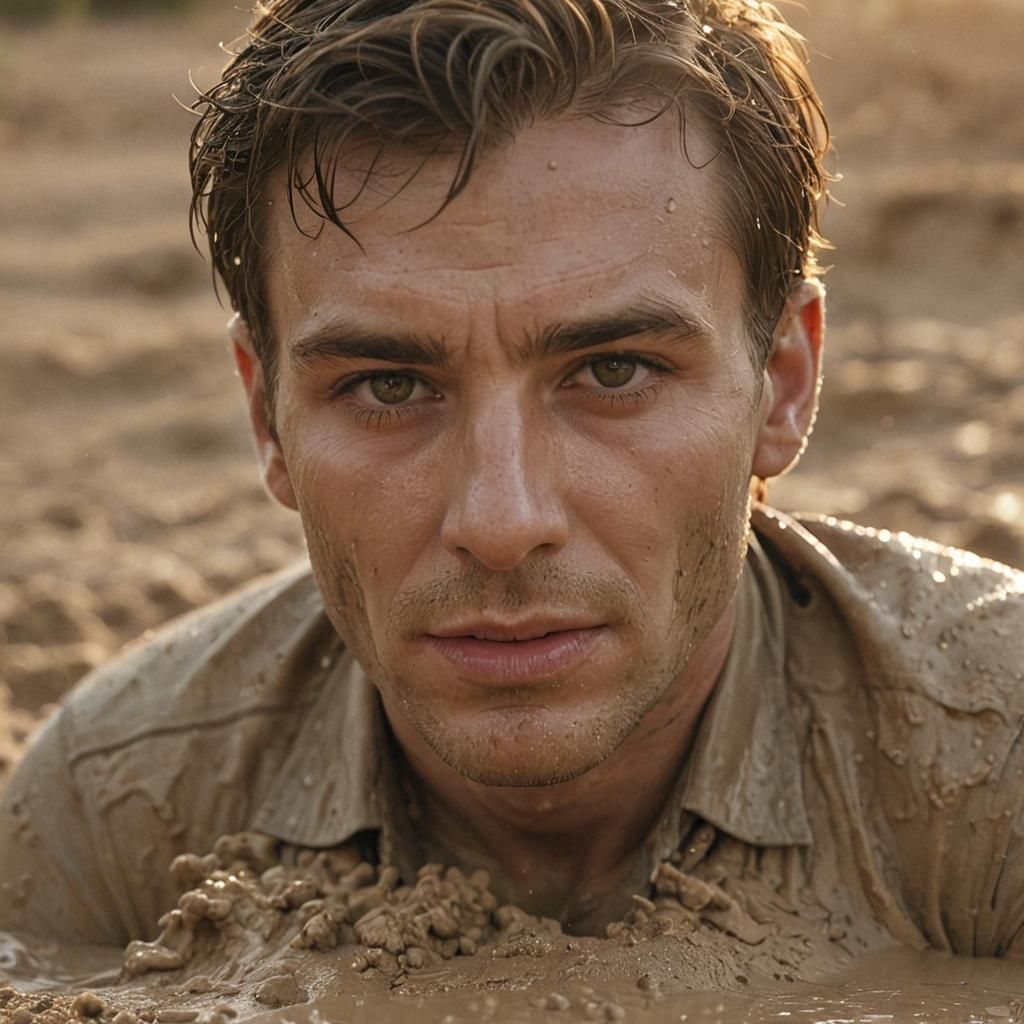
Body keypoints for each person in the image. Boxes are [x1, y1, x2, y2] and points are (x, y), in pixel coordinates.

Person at [1, 0, 1022, 967]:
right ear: (267, 417)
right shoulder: (113, 813)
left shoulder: (994, 763)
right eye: (388, 385)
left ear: (784, 384)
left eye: (613, 370)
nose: (501, 520)